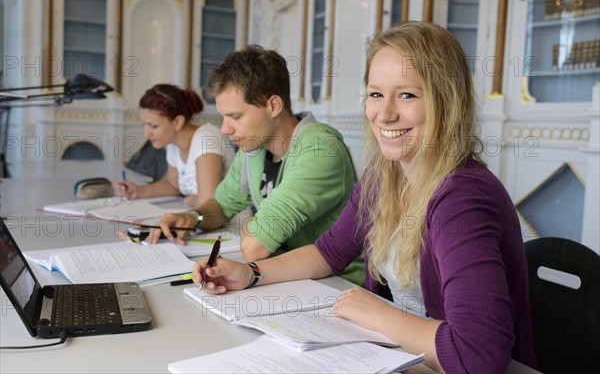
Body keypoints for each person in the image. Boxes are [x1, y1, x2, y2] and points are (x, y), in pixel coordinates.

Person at [189, 22, 538, 372]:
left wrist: (380, 315)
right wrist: (249, 273)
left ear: (446, 102)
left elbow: (478, 356)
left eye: (407, 95)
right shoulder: (385, 174)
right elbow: (329, 253)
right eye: (375, 94)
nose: (384, 114)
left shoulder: (461, 197)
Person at [150, 46, 364, 286]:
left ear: (273, 106)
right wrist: (193, 218)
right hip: (282, 277)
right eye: (223, 117)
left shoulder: (320, 148)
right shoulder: (253, 148)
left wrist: (255, 229)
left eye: (236, 116)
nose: (224, 129)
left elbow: (254, 246)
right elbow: (221, 205)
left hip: (337, 286)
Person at [117, 84, 235, 209]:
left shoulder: (206, 139)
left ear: (177, 122)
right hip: (200, 219)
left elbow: (208, 203)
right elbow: (173, 186)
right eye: (144, 125)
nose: (147, 133)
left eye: (154, 126)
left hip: (232, 225)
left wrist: (188, 200)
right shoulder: (173, 145)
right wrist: (138, 191)